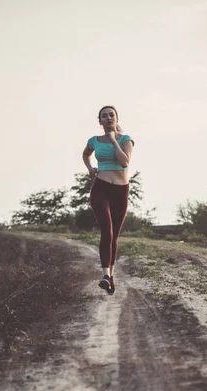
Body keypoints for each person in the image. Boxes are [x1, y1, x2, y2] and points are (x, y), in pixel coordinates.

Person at [82, 105, 135, 295]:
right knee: (107, 231)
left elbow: (124, 162)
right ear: (100, 121)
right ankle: (105, 275)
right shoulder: (94, 141)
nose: (108, 117)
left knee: (114, 236)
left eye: (111, 115)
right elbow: (85, 153)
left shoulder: (126, 140)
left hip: (121, 190)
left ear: (116, 118)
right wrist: (90, 168)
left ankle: (110, 277)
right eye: (104, 116)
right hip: (101, 189)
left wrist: (114, 141)